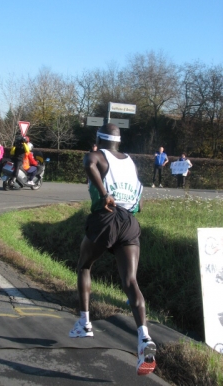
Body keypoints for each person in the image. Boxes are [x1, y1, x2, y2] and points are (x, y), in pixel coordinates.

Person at [69, 123, 156, 376]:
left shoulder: (99, 156)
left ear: (99, 139)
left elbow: (88, 163)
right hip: (130, 221)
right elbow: (139, 196)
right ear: (120, 141)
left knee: (85, 265)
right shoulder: (130, 161)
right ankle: (144, 338)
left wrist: (105, 193)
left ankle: (84, 322)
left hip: (106, 218)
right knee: (130, 281)